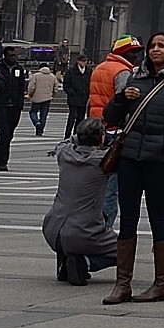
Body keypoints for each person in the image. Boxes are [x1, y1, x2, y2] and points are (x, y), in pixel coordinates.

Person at [101, 31, 164, 306]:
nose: (155, 50)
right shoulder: (134, 79)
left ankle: (162, 284)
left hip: (160, 161)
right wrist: (122, 98)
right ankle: (122, 284)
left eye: (162, 45)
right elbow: (110, 118)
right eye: (152, 46)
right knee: (128, 220)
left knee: (159, 220)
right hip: (131, 159)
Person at [42, 117, 119, 285]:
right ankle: (84, 262)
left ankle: (65, 264)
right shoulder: (103, 161)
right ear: (101, 138)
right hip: (85, 232)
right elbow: (120, 152)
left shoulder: (64, 153)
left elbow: (66, 141)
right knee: (126, 250)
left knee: (69, 237)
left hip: (52, 228)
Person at [0, 46, 29, 172]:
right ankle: (3, 161)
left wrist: (20, 103)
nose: (14, 58)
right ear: (5, 56)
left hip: (15, 105)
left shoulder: (19, 69)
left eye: (15, 55)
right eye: (11, 55)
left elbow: (21, 87)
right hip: (1, 104)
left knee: (9, 133)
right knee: (3, 133)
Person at [86, 36, 139, 122]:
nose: (136, 55)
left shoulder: (98, 68)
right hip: (112, 123)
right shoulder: (123, 71)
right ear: (122, 52)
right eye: (132, 51)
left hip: (95, 121)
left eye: (137, 52)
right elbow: (121, 103)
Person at [25, 60, 58, 138]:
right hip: (47, 98)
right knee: (44, 114)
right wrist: (52, 94)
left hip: (36, 97)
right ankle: (40, 130)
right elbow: (55, 88)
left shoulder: (36, 76)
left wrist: (30, 94)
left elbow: (31, 87)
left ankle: (37, 123)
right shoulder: (52, 76)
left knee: (33, 112)